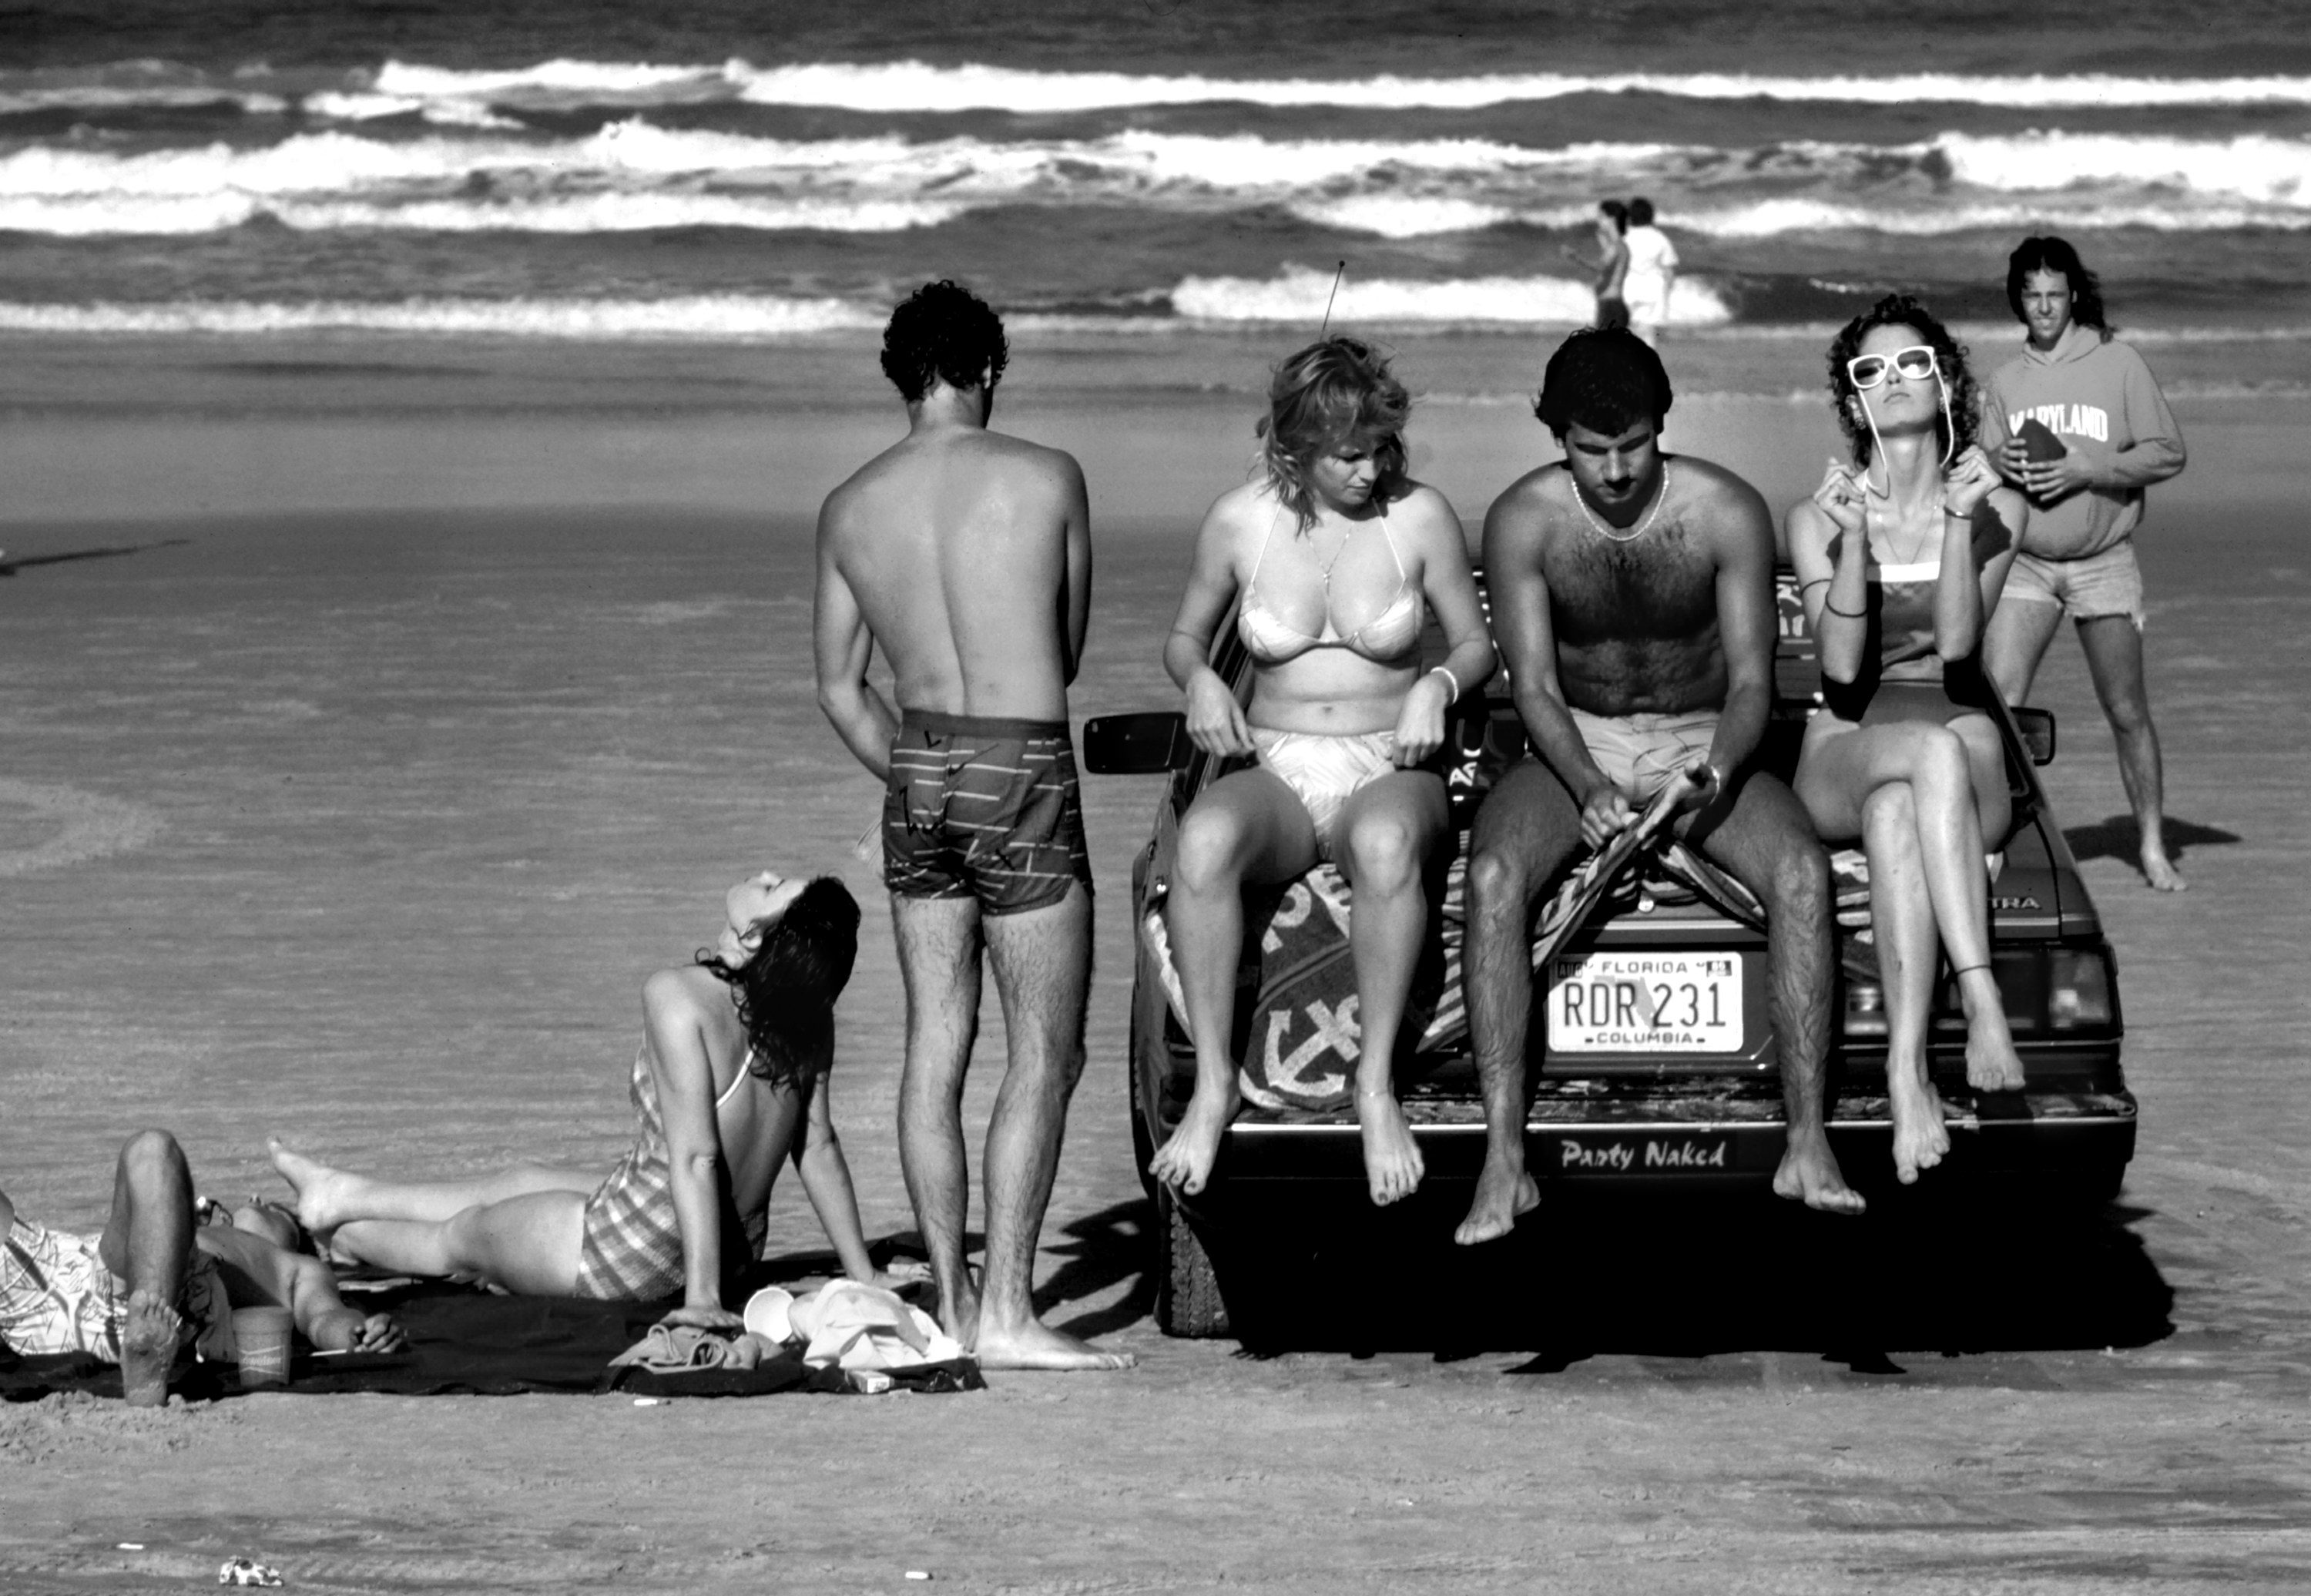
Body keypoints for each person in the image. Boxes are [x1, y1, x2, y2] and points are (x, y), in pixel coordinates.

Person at [1455, 326, 1862, 1246]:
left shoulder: (1727, 510)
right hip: (1579, 741)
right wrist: (1585, 782)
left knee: (1801, 873)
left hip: (1698, 737)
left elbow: (1755, 681)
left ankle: (1807, 1144)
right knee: (1491, 880)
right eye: (1590, 449)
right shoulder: (1524, 519)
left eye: (1631, 444)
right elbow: (1535, 687)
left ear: (1662, 423)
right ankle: (1503, 1160)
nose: (1612, 470)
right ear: (1554, 434)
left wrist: (1714, 769)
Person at [813, 281, 1126, 1371]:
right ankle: (1007, 1312)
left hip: (918, 772)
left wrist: (913, 766)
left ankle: (947, 1303)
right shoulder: (1047, 478)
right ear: (989, 368)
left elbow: (843, 690)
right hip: (1019, 762)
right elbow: (1067, 646)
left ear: (903, 379)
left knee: (935, 1044)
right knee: (1045, 1048)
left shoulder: (851, 505)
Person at [1149, 335, 1496, 1209]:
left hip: (1390, 761)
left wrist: (1439, 685)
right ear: (1294, 446)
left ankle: (1374, 1084)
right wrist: (1196, 681)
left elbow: (1475, 642)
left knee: (1383, 845)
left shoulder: (1417, 516)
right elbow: (1186, 638)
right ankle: (1217, 1082)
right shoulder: (1239, 521)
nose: (1370, 468)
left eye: (1382, 446)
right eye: (1348, 453)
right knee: (1203, 840)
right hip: (1279, 760)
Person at [269, 873, 891, 1332]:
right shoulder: (808, 1019)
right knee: (521, 1181)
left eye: (774, 885)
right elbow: (818, 1147)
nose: (762, 874)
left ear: (756, 937)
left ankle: (345, 1240)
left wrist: (701, 1301)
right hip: (730, 1252)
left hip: (640, 1257)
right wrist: (864, 1274)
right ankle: (340, 1194)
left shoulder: (679, 998)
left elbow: (698, 1161)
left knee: (464, 1240)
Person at [1787, 294, 2030, 1185]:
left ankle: (1905, 1069)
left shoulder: (2000, 510)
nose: (1891, 382)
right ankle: (1979, 990)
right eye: (1870, 372)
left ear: (1947, 381)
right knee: (1909, 764)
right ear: (1853, 404)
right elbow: (1845, 666)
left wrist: (1964, 522)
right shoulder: (1814, 516)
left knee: (1904, 805)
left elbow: (1961, 648)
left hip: (1959, 734)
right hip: (1850, 734)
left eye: (1912, 363)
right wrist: (1854, 541)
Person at [1980, 236, 2189, 890]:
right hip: (2028, 564)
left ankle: (2152, 846)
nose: (2044, 308)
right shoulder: (2006, 380)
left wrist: (2088, 467)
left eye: (2055, 295)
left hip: (2105, 561)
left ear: (2075, 296)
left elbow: (2168, 451)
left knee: (2126, 709)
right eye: (2032, 296)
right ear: (2019, 299)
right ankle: (1987, 842)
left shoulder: (2118, 362)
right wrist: (1999, 467)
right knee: (1999, 707)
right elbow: (1984, 466)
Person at [3, 1130, 404, 1406]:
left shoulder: (293, 1266)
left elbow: (325, 1318)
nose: (253, 1203)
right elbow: (325, 1321)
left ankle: (149, 1325)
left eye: (266, 1208)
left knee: (154, 1150)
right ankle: (145, 1325)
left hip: (150, 1303)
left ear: (286, 1230)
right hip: (73, 1277)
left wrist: (359, 1334)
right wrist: (357, 1334)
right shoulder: (272, 1268)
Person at [1619, 197, 1679, 347]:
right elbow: (1668, 270)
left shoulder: (1624, 238)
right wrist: (1669, 289)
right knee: (1648, 333)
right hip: (1653, 288)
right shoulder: (1660, 238)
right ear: (1651, 216)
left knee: (1628, 331)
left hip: (1628, 287)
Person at [1561, 200, 1628, 329]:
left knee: (1605, 348)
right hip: (1612, 306)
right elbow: (1611, 268)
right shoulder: (1619, 246)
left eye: (1602, 216)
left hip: (1610, 307)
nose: (1598, 220)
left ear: (1612, 219)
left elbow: (1599, 266)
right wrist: (1604, 240)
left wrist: (1575, 257)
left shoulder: (1615, 247)